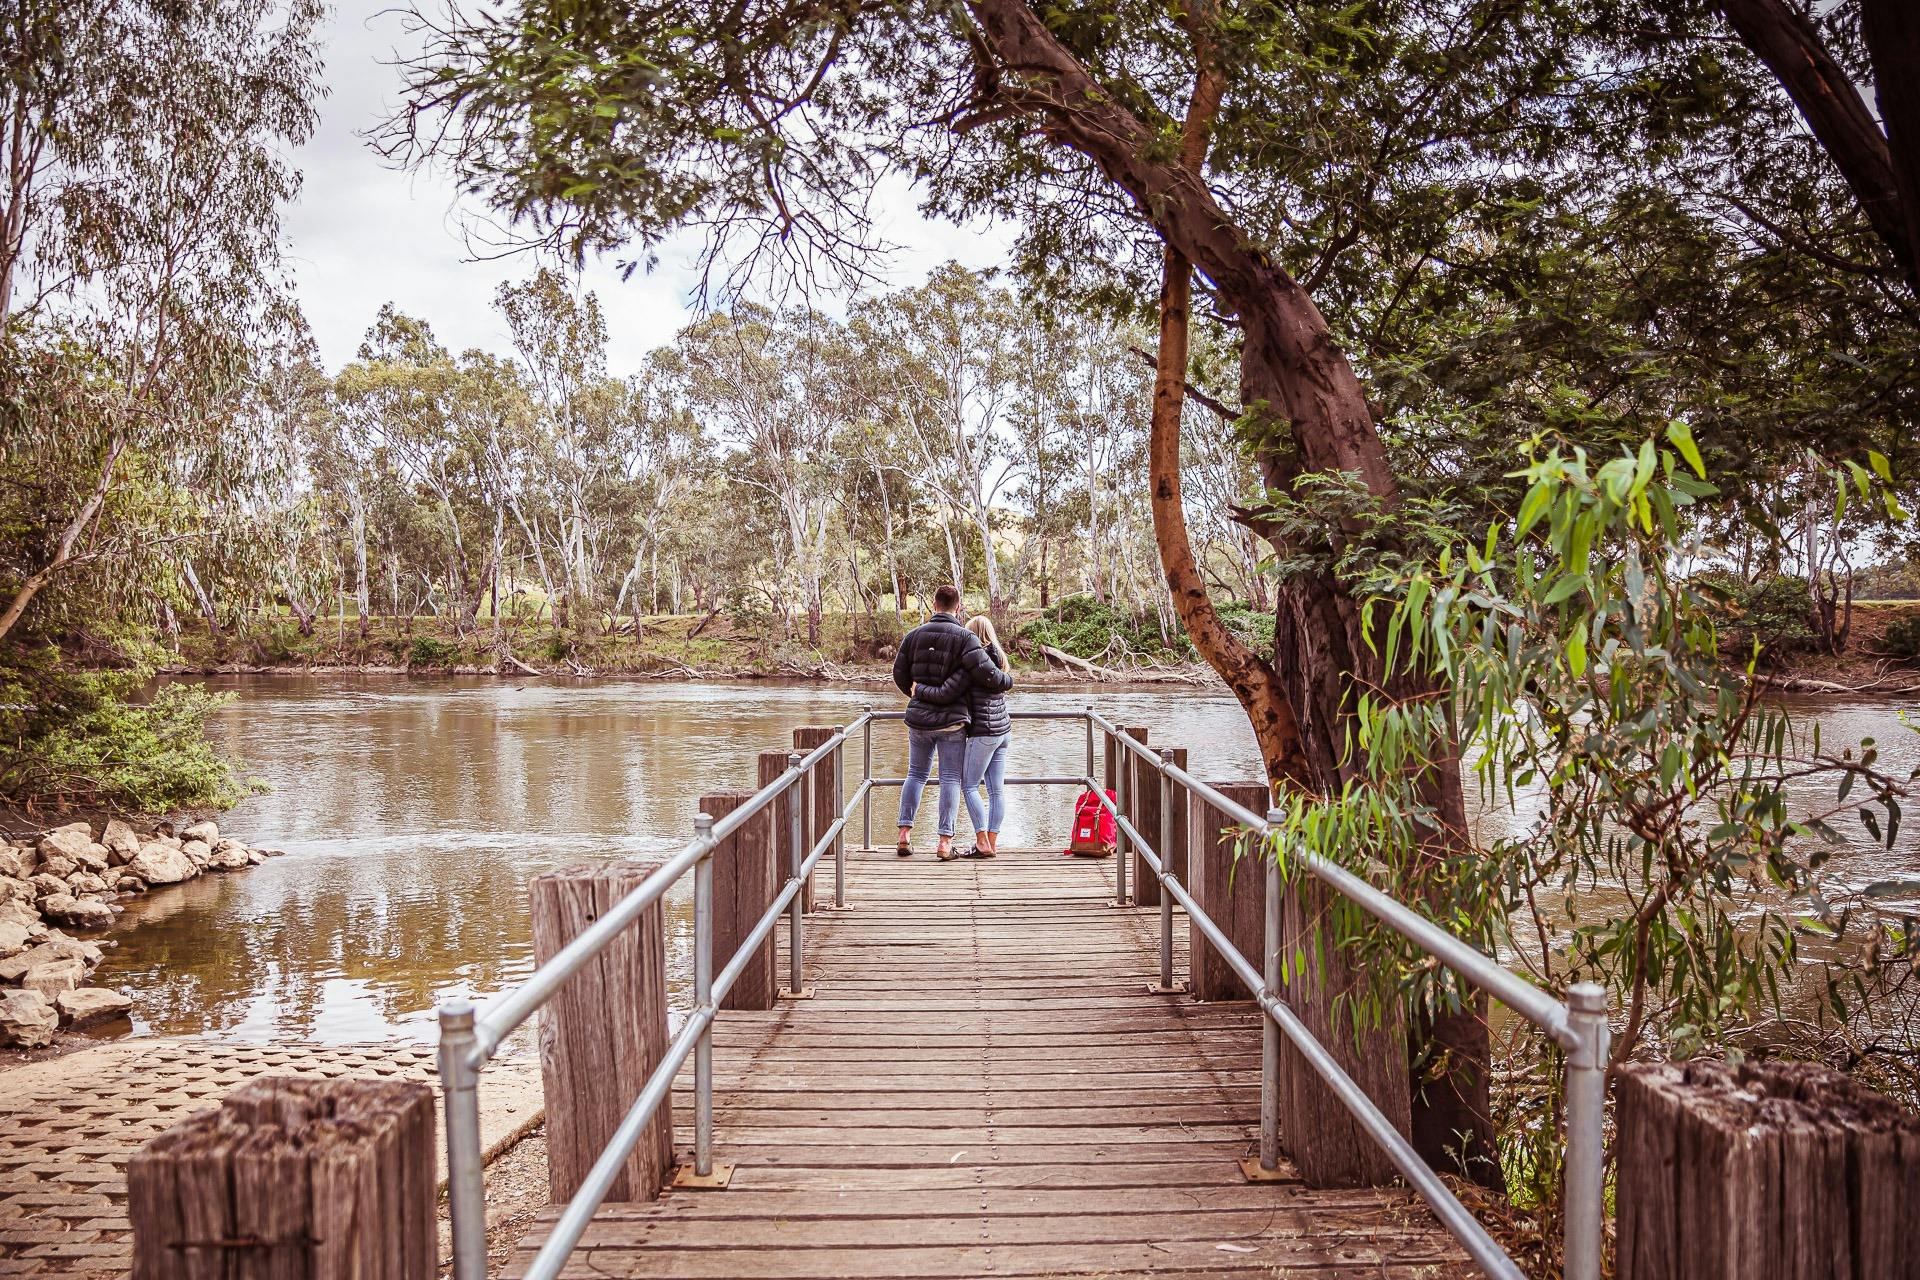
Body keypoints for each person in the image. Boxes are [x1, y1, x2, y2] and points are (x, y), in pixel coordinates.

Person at [890, 584, 1002, 861]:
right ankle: (944, 842)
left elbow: (899, 674)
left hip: (919, 720)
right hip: (952, 721)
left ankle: (904, 834)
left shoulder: (913, 636)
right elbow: (985, 674)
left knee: (915, 774)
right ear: (958, 607)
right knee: (950, 778)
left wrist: (916, 694)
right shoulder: (966, 638)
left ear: (934, 604)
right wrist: (1007, 681)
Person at [918, 614, 1013, 857]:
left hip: (983, 731)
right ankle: (992, 842)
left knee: (969, 786)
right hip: (1003, 731)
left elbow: (947, 692)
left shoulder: (973, 663)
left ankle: (982, 842)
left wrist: (919, 689)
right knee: (996, 791)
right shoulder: (999, 658)